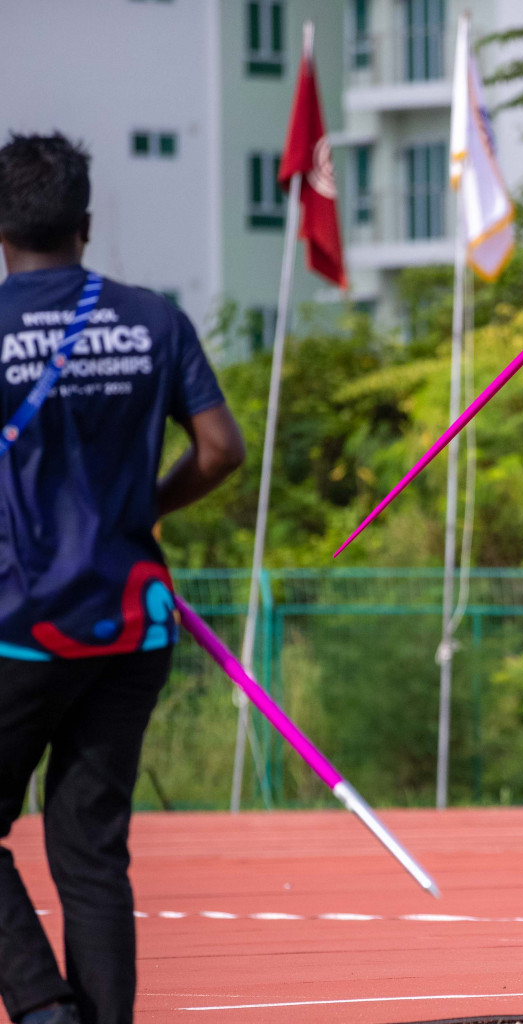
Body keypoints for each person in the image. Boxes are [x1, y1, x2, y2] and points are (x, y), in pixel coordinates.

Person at [0, 133, 245, 1024]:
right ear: (86, 223)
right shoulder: (153, 319)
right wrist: (145, 510)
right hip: (132, 619)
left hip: (21, 622)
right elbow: (221, 450)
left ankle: (41, 1007)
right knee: (92, 850)